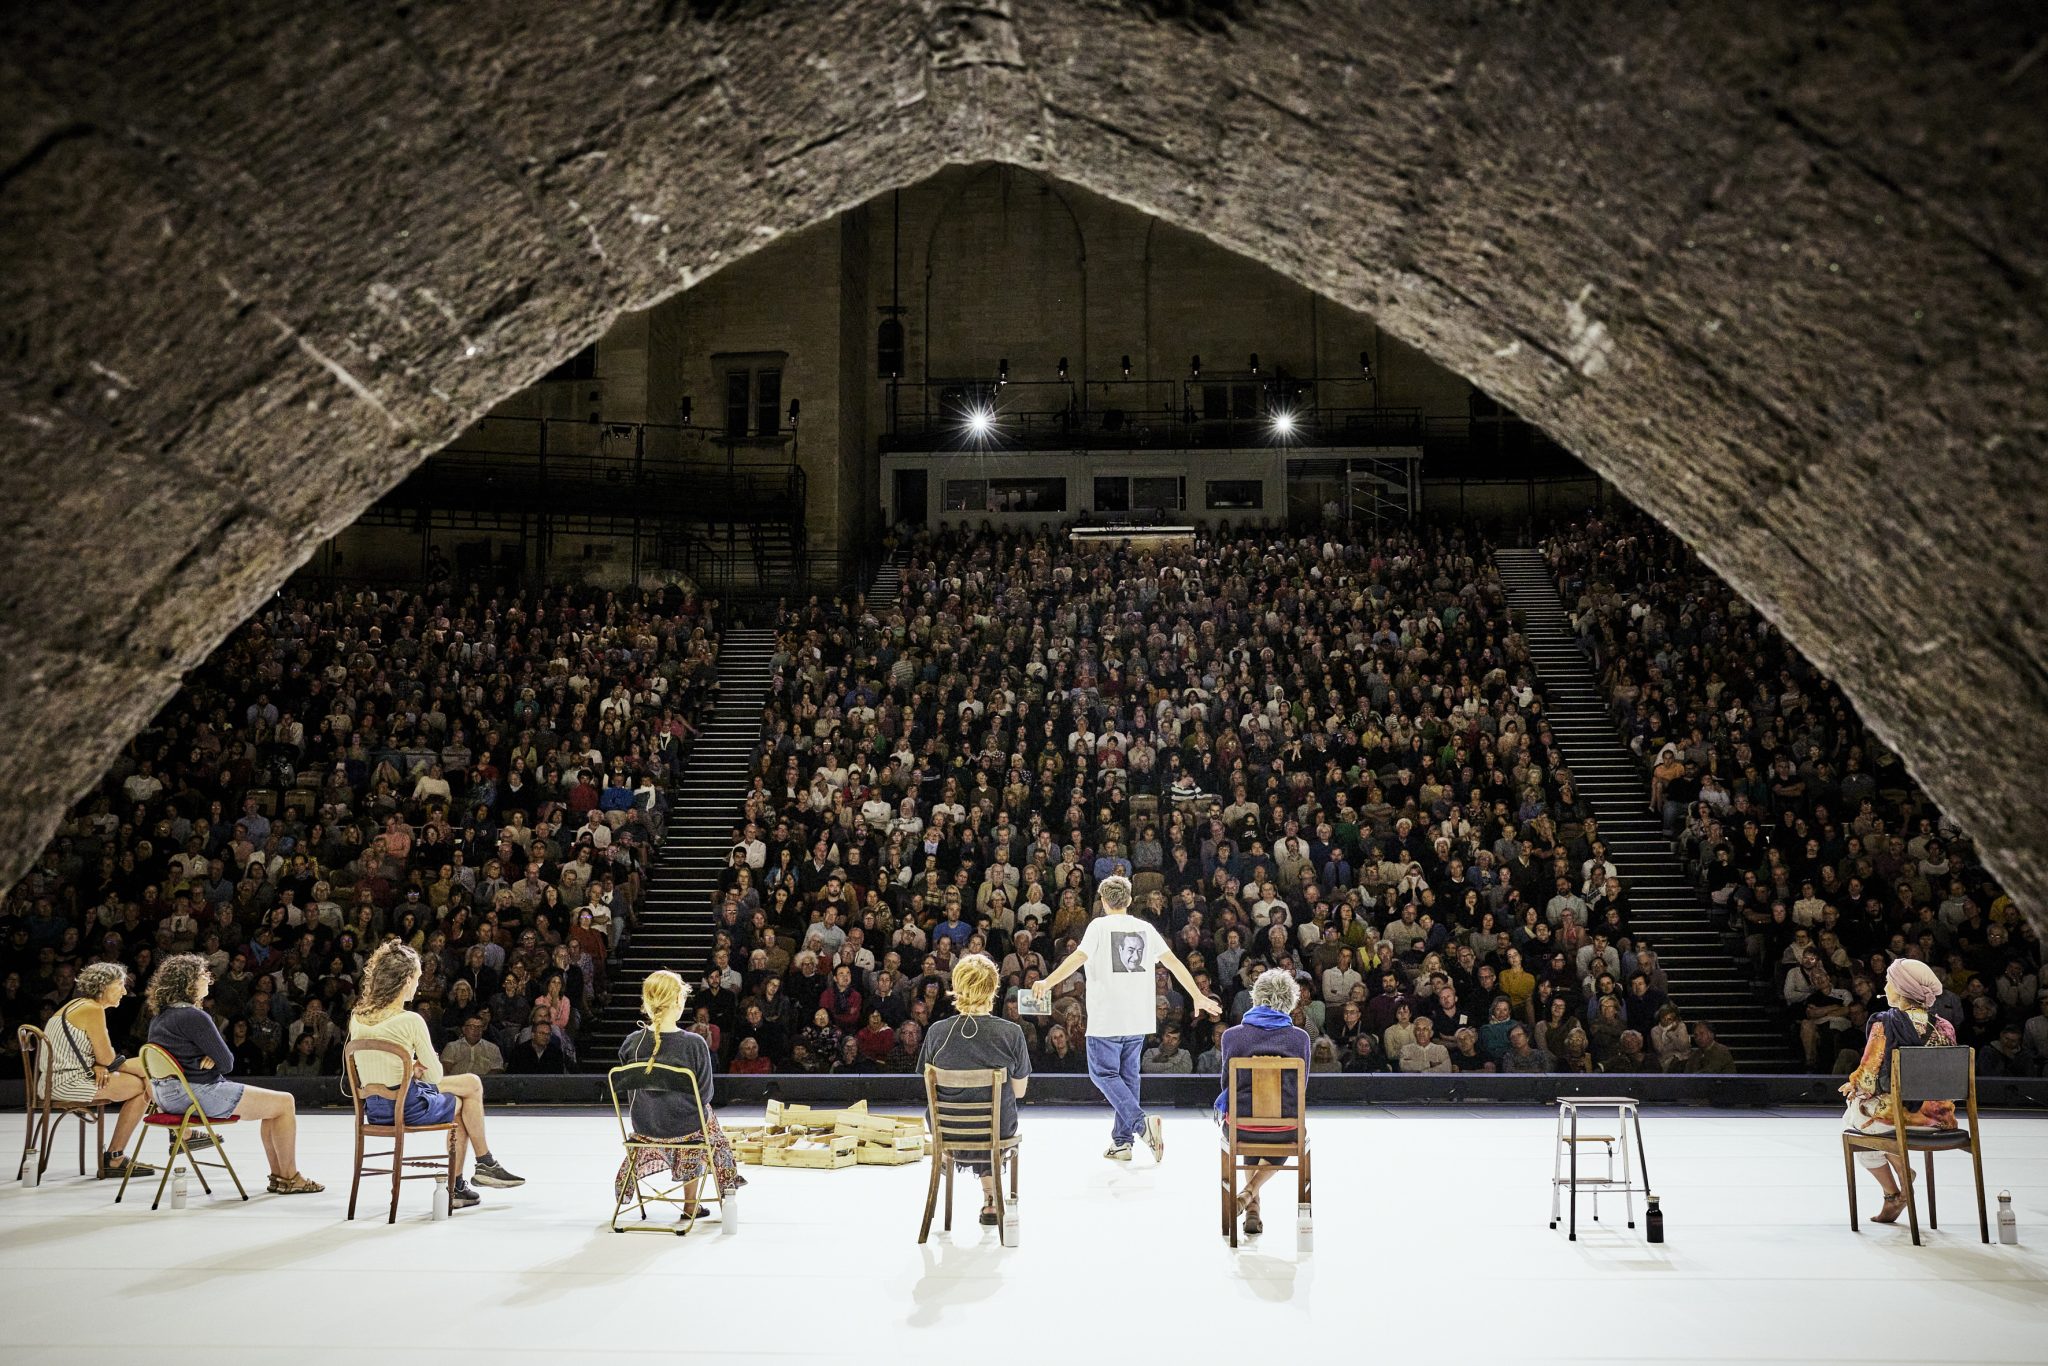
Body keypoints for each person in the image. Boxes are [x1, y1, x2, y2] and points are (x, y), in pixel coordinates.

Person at [1033, 874, 1220, 1161]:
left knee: (1102, 1074)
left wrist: (1047, 982)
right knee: (1128, 1078)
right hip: (1137, 1018)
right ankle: (1122, 1143)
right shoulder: (1145, 928)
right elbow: (1173, 962)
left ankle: (1140, 1124)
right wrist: (1196, 994)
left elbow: (1077, 958)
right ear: (1130, 900)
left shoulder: (1098, 926)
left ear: (1103, 901)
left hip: (1107, 1017)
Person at [347, 941, 522, 1210]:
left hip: (375, 1109)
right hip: (407, 1107)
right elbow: (435, 1075)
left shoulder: (357, 1017)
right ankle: (468, 1175)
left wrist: (409, 1067)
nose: (418, 985)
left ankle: (477, 1170)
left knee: (471, 1083)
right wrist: (420, 1066)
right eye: (417, 978)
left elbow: (375, 1061)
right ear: (406, 981)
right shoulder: (410, 1020)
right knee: (464, 1101)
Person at [143, 953, 323, 1194]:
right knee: (285, 1103)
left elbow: (179, 1058)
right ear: (188, 982)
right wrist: (212, 1058)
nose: (208, 979)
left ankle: (280, 1177)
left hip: (165, 1096)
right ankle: (289, 1176)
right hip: (196, 1093)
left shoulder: (160, 1018)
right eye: (203, 975)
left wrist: (207, 1058)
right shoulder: (195, 1016)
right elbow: (227, 1062)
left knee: (273, 1108)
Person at [614, 970, 744, 1227]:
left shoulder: (631, 1043)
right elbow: (705, 1095)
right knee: (706, 1120)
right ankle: (700, 1200)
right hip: (686, 1131)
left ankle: (693, 1200)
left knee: (689, 1114)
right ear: (677, 1001)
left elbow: (627, 1087)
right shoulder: (694, 1044)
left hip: (645, 1127)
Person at [1839, 959, 1959, 1224]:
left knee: (1854, 1120)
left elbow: (1868, 1077)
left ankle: (1894, 1193)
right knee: (1870, 1120)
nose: (1885, 986)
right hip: (1939, 1119)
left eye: (1888, 981)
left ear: (1901, 988)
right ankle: (1898, 1186)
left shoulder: (1885, 1024)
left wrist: (1854, 1086)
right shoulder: (1946, 1026)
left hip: (1901, 1119)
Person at [917, 953, 1030, 1225]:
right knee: (991, 1117)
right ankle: (991, 1198)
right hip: (996, 1129)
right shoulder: (1011, 1033)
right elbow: (1020, 1091)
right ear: (993, 988)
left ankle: (954, 1163)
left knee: (969, 1114)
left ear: (956, 986)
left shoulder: (936, 1032)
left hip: (947, 1129)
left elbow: (928, 1087)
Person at [1213, 968, 1311, 1236]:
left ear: (1256, 996)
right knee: (1283, 1127)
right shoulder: (1300, 1038)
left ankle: (1252, 1204)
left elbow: (1226, 1085)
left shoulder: (1232, 1036)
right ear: (1290, 1000)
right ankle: (1249, 1195)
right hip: (1286, 1129)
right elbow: (1301, 1089)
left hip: (1241, 1128)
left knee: (1250, 1118)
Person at [38, 962, 155, 1179]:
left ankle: (173, 1132)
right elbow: (108, 1058)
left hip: (56, 1079)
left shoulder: (77, 1005)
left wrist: (99, 1064)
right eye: (120, 984)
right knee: (143, 1085)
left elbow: (96, 1056)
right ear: (103, 985)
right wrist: (108, 1064)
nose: (124, 991)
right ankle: (115, 1157)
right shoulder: (92, 1009)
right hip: (66, 1082)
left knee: (146, 1073)